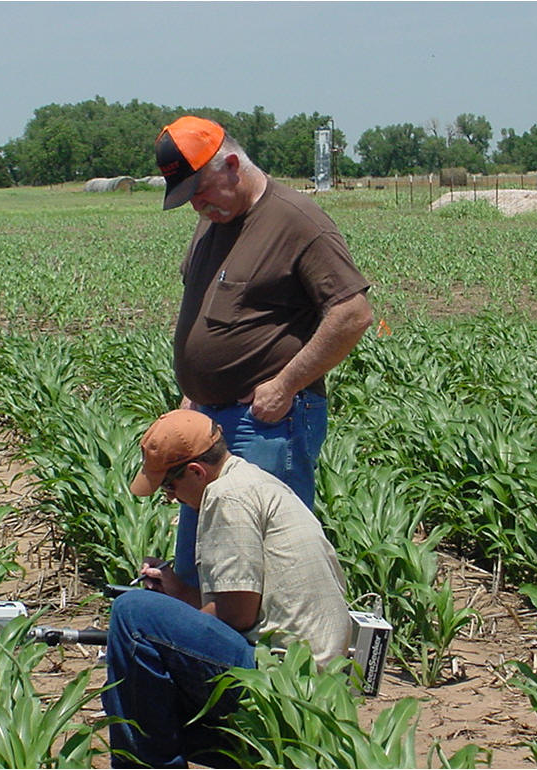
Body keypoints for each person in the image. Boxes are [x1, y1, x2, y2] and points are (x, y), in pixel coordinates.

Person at [155, 115, 374, 587]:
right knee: (205, 565)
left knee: (266, 570)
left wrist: (284, 385)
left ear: (232, 164)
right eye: (188, 197)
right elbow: (200, 307)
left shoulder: (296, 221)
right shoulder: (214, 223)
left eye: (201, 190)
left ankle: (282, 660)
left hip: (268, 423)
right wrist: (193, 396)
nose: (197, 205)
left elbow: (352, 314)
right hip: (210, 423)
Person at [101, 409, 350, 768]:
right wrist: (177, 594)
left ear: (197, 471)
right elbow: (242, 603)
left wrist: (164, 621)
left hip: (282, 678)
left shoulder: (227, 496)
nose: (170, 498)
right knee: (135, 687)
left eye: (169, 486)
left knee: (133, 614)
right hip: (312, 681)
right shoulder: (252, 481)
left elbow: (235, 616)